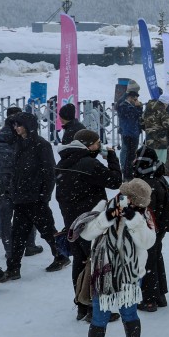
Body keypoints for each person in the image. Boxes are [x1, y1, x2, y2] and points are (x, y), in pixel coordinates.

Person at [54, 129, 122, 320]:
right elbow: (116, 181)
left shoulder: (64, 161)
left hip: (72, 222)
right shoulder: (89, 163)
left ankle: (81, 306)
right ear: (89, 145)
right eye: (97, 143)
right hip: (91, 222)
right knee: (96, 264)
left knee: (80, 261)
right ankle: (96, 309)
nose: (99, 146)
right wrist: (112, 158)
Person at [80, 179, 157, 337]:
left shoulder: (144, 214)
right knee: (99, 317)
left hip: (131, 275)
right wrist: (107, 217)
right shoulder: (104, 206)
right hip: (103, 273)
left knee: (129, 314)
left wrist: (134, 220)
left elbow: (148, 242)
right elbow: (86, 234)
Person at [4, 112, 68, 280]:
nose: (16, 128)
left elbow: (49, 173)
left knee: (47, 230)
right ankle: (13, 268)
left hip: (35, 198)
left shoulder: (41, 145)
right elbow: (16, 170)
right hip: (20, 198)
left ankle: (61, 256)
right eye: (14, 125)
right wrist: (13, 189)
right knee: (17, 234)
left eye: (19, 125)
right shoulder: (19, 144)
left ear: (28, 126)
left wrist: (43, 196)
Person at [0, 109, 43, 269]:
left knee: (5, 217)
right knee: (28, 215)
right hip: (22, 187)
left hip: (2, 187)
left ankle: (9, 250)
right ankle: (30, 244)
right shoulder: (23, 144)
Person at [129, 146, 169, 314]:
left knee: (147, 261)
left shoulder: (144, 183)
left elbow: (142, 209)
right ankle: (160, 295)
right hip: (159, 227)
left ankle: (149, 299)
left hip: (148, 229)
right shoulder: (158, 176)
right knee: (155, 258)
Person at [117, 91, 144, 181]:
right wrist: (138, 107)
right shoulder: (123, 106)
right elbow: (134, 115)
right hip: (128, 133)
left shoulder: (130, 106)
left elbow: (139, 116)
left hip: (133, 132)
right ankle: (127, 174)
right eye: (135, 99)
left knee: (132, 154)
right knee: (129, 154)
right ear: (130, 98)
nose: (136, 101)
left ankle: (129, 173)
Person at [142, 91, 169, 163]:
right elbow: (167, 124)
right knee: (160, 161)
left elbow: (142, 118)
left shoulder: (148, 107)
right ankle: (158, 172)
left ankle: (150, 172)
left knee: (150, 160)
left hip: (149, 138)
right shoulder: (162, 110)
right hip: (160, 140)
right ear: (165, 103)